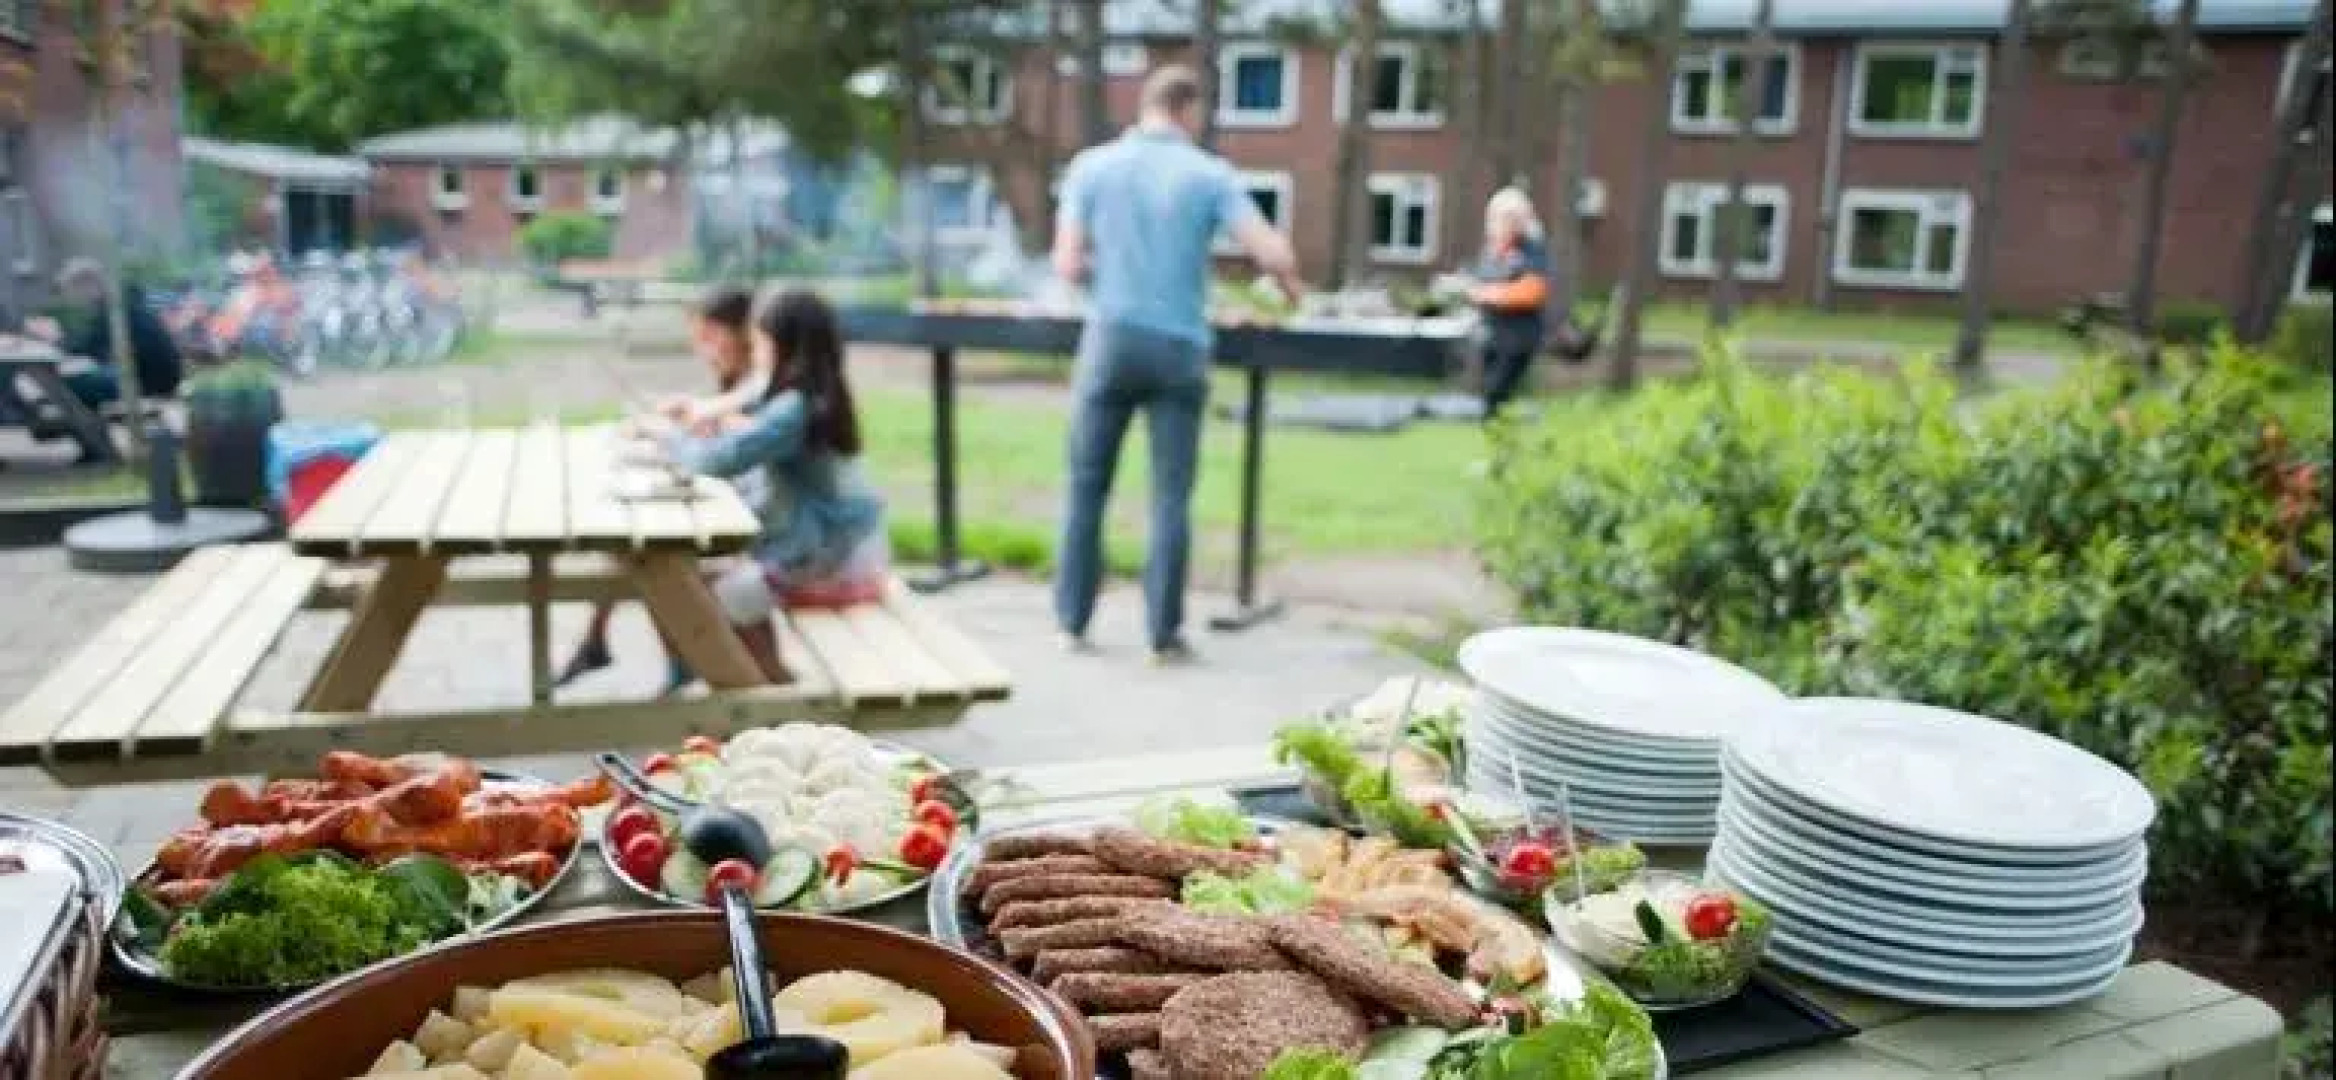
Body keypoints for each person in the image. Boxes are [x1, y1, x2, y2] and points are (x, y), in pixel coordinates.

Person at [1049, 64, 1304, 664]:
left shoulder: (1092, 167)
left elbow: (1067, 263)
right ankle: (1162, 636)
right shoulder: (1210, 174)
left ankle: (1072, 624)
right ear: (1189, 110)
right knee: (1170, 497)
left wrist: (1112, 271)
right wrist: (1293, 289)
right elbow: (1269, 249)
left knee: (1086, 488)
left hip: (1111, 341)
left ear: (1146, 106)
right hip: (1180, 349)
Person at [658, 288, 888, 685]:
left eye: (761, 342)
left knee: (703, 595)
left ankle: (769, 689)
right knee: (704, 585)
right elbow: (745, 418)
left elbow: (714, 462)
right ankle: (764, 683)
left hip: (829, 565)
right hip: (841, 551)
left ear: (782, 346)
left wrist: (672, 438)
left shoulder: (793, 408)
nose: (756, 352)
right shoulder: (816, 394)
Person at [557, 285, 763, 689]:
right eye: (699, 339)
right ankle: (644, 652)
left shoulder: (761, 386)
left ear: (742, 334)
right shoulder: (739, 383)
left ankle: (657, 655)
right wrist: (680, 422)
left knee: (645, 554)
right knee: (634, 548)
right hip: (728, 506)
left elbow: (735, 440)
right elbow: (714, 428)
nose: (703, 349)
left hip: (749, 523)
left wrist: (684, 428)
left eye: (710, 336)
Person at [25, 258, 185, 415]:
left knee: (64, 385)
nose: (73, 299)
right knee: (73, 381)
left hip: (148, 382)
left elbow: (86, 347)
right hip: (157, 376)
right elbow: (93, 346)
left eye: (72, 291)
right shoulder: (121, 301)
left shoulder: (115, 310)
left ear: (88, 285)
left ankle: (87, 428)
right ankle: (86, 425)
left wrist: (55, 338)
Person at [1469, 187, 1553, 420]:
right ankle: (1496, 437)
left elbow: (1533, 291)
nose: (1501, 224)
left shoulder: (1531, 250)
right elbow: (1480, 283)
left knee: (1497, 393)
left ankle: (1502, 437)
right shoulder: (1491, 251)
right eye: (1498, 218)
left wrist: (1494, 294)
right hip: (1492, 335)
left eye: (1509, 218)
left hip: (1518, 339)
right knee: (1490, 395)